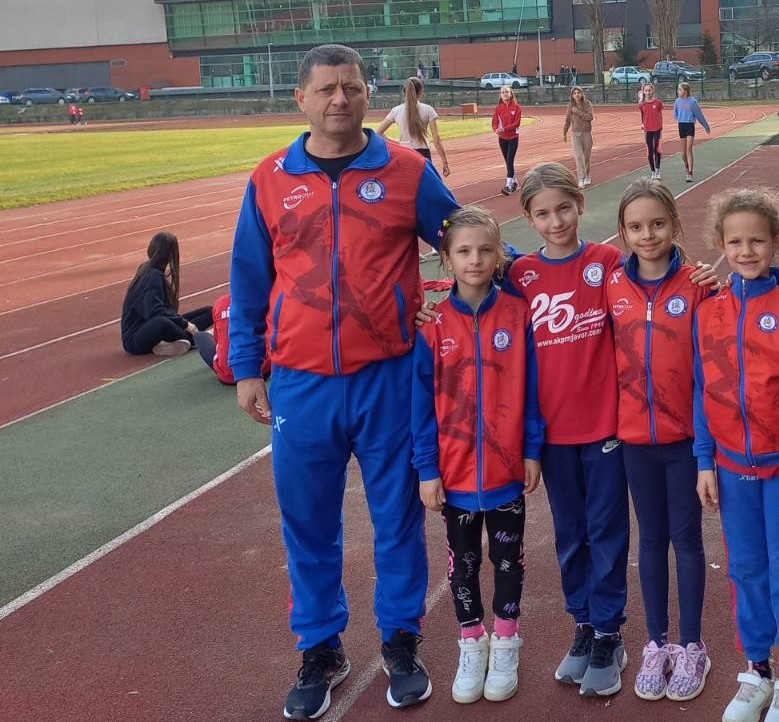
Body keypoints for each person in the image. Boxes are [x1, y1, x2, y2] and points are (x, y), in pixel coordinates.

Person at [227, 43, 460, 720]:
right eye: (327, 89)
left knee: (398, 517)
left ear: (367, 94)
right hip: (302, 385)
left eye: (352, 88)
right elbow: (249, 279)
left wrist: (537, 275)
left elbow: (465, 242)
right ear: (300, 98)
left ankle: (401, 641)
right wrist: (246, 367)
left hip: (389, 377)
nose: (340, 99)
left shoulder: (407, 171)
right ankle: (321, 648)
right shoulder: (269, 178)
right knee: (308, 522)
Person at [694, 188, 779, 722]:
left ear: (775, 243)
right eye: (736, 242)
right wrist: (704, 459)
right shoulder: (708, 312)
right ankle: (757, 670)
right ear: (721, 245)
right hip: (730, 468)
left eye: (757, 241)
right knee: (745, 569)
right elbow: (702, 390)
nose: (746, 251)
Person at [411, 205, 545, 705]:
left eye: (486, 250)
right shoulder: (432, 325)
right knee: (462, 566)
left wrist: (531, 449)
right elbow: (421, 406)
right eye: (464, 251)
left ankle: (506, 641)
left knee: (509, 561)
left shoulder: (518, 314)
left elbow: (533, 390)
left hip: (507, 470)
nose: (475, 260)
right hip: (455, 475)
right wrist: (428, 469)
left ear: (499, 257)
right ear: (446, 259)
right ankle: (472, 641)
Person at [508, 162, 631, 697]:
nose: (555, 221)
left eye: (563, 208)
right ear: (528, 218)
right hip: (552, 434)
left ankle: (609, 632)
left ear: (580, 204)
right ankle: (582, 624)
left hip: (604, 428)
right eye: (542, 214)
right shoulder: (520, 276)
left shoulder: (607, 262)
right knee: (570, 535)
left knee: (607, 532)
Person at [608, 180, 712, 703]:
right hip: (634, 440)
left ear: (675, 225)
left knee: (686, 540)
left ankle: (692, 645)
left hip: (684, 440)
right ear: (622, 233)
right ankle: (656, 643)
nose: (647, 235)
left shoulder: (699, 284)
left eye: (657, 224)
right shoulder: (611, 285)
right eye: (635, 226)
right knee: (649, 540)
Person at [120, 231, 213, 357]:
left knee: (209, 312)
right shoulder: (152, 276)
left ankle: (175, 341)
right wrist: (185, 324)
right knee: (162, 322)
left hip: (155, 324)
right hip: (135, 339)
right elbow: (154, 313)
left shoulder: (153, 271)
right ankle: (195, 339)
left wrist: (182, 322)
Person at [376, 76, 451, 177]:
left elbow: (378, 133)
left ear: (404, 92)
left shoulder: (396, 111)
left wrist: (399, 142)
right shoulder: (428, 110)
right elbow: (436, 139)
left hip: (404, 153)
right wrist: (445, 162)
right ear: (421, 92)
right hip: (422, 154)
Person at [194, 293, 271, 384]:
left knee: (199, 336)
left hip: (228, 375)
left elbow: (217, 341)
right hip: (263, 369)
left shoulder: (220, 302)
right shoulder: (264, 298)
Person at [672, 82, 710, 183]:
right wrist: (680, 118)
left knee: (689, 149)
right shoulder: (677, 101)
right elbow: (675, 114)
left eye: (680, 89)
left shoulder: (692, 102)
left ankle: (690, 173)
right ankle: (686, 165)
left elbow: (699, 115)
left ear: (685, 91)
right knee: (683, 153)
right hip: (681, 125)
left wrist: (706, 126)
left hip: (689, 125)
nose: (678, 91)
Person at [492, 85, 522, 195]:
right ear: (500, 95)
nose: (505, 94)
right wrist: (496, 129)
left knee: (509, 160)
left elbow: (516, 123)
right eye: (503, 92)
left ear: (511, 94)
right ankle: (515, 183)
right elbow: (494, 122)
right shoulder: (498, 108)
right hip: (502, 138)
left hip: (513, 137)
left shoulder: (517, 108)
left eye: (507, 92)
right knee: (507, 162)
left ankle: (508, 186)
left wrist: (505, 128)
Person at [563, 86, 595, 188]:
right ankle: (581, 178)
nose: (577, 95)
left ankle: (587, 175)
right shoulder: (570, 105)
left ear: (582, 94)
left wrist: (579, 112)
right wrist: (564, 132)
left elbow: (590, 117)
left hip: (586, 133)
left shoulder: (587, 104)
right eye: (575, 93)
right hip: (575, 134)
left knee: (586, 157)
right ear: (572, 95)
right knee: (578, 157)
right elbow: (567, 120)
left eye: (578, 93)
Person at [639, 83, 665, 180]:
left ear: (652, 91)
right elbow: (642, 116)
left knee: (656, 149)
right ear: (643, 92)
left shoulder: (658, 103)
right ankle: (653, 171)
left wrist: (660, 127)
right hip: (647, 130)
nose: (648, 92)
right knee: (649, 151)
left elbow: (660, 115)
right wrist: (643, 124)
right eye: (646, 91)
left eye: (649, 90)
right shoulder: (642, 104)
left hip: (657, 129)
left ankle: (658, 170)